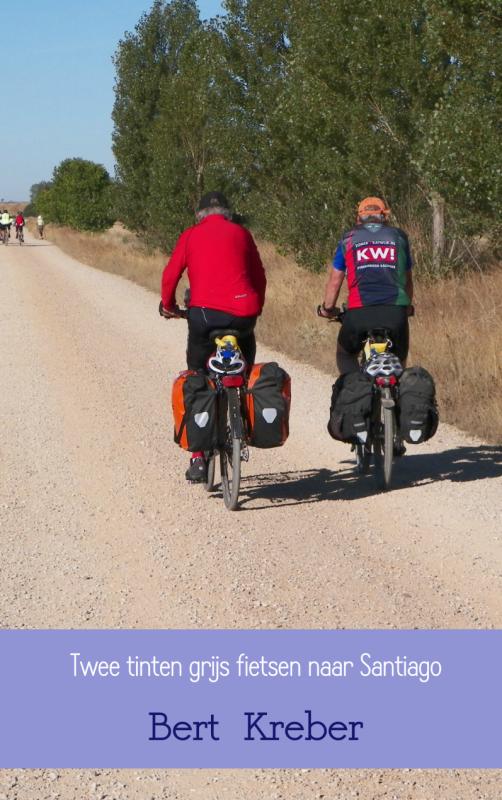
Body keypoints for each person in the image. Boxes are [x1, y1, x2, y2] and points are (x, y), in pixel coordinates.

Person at [160, 191, 267, 482]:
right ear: (227, 212)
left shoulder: (191, 235)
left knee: (196, 372)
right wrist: (256, 306)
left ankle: (197, 457)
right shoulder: (242, 234)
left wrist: (168, 306)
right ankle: (243, 413)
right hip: (244, 313)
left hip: (205, 316)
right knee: (245, 363)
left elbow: (171, 275)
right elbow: (259, 275)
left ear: (200, 214)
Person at [318, 196, 413, 374]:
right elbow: (407, 279)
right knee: (400, 362)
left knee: (345, 354)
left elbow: (335, 280)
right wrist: (407, 308)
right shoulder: (399, 236)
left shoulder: (348, 239)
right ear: (385, 217)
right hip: (395, 314)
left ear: (358, 218)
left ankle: (354, 388)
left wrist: (328, 309)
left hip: (359, 312)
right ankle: (399, 393)